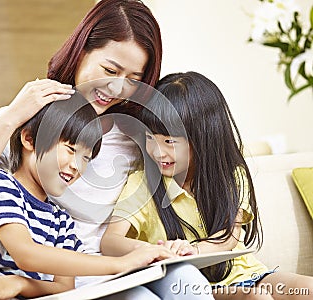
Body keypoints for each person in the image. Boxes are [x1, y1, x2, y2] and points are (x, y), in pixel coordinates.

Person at [0, 0, 213, 298]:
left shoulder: (136, 135)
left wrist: (161, 248)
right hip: (55, 280)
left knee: (187, 280)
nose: (117, 88)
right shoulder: (30, 121)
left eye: (134, 79)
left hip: (109, 272)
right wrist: (8, 119)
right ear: (81, 51)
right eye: (109, 69)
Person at [0, 94, 176, 300]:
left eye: (86, 158)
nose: (77, 166)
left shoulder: (60, 219)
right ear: (29, 140)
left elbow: (64, 287)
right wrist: (121, 264)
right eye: (70, 149)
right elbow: (25, 253)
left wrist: (19, 283)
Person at [101, 71, 313, 299]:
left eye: (170, 141)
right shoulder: (143, 184)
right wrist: (151, 251)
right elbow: (110, 241)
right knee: (257, 298)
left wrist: (193, 250)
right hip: (196, 288)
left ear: (203, 136)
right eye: (150, 138)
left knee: (307, 288)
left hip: (249, 273)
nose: (158, 151)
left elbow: (229, 236)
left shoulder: (231, 175)